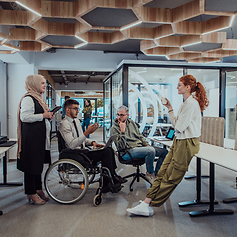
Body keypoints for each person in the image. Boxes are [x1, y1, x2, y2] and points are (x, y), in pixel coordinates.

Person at [126, 74, 209, 216]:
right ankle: (146, 203)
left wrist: (172, 114)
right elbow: (178, 126)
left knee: (172, 177)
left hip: (186, 143)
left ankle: (150, 203)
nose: (177, 87)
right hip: (180, 141)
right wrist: (170, 108)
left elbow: (178, 127)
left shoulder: (191, 104)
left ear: (187, 87)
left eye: (179, 85)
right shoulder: (186, 103)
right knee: (163, 173)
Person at [58, 99, 126, 193]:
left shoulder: (77, 121)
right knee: (106, 152)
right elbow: (72, 144)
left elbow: (82, 139)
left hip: (83, 151)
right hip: (74, 154)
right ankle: (109, 181)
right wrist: (86, 132)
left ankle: (112, 177)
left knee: (109, 149)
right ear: (67, 110)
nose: (78, 111)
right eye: (75, 109)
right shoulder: (64, 124)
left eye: (78, 108)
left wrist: (92, 142)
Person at [17, 74, 55, 205]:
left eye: (45, 83)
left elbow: (38, 116)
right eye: (42, 83)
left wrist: (47, 116)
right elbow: (25, 117)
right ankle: (31, 193)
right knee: (31, 166)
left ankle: (38, 189)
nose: (45, 85)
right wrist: (43, 115)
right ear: (34, 84)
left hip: (39, 138)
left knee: (37, 165)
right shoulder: (28, 99)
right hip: (32, 139)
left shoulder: (38, 98)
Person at [110, 105, 168, 183]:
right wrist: (122, 131)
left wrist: (146, 144)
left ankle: (156, 176)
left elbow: (140, 136)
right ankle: (149, 173)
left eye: (121, 115)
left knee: (164, 152)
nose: (119, 117)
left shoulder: (132, 123)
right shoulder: (114, 128)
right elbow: (121, 147)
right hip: (127, 151)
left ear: (127, 115)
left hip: (139, 147)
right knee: (150, 151)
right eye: (118, 114)